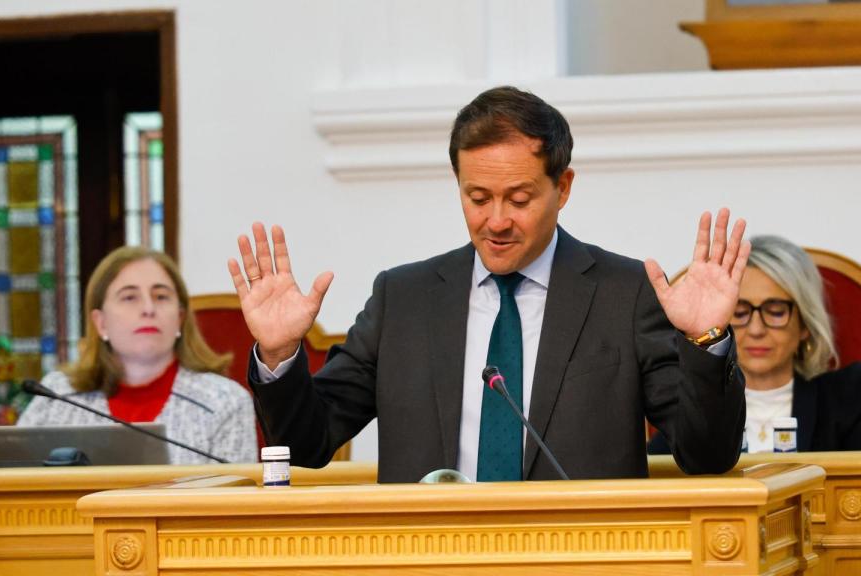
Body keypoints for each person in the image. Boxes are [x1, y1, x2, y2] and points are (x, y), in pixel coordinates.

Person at [230, 86, 750, 483]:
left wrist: (706, 342)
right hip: (431, 556)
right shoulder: (403, 300)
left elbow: (706, 457)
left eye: (519, 199)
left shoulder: (624, 293)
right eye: (477, 197)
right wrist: (278, 354)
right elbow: (306, 443)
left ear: (562, 187)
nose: (496, 221)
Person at [649, 235, 861, 455]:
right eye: (740, 311)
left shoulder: (847, 397)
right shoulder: (692, 404)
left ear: (805, 324)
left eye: (775, 311)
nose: (756, 330)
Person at [19, 246, 258, 464]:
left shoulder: (225, 402)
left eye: (161, 296)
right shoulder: (57, 395)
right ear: (100, 323)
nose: (148, 309)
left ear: (180, 319)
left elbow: (236, 504)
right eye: (129, 297)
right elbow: (10, 483)